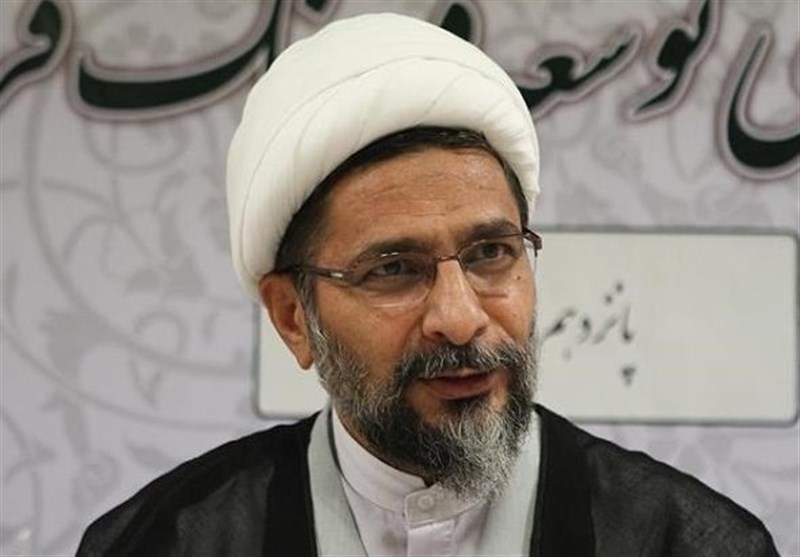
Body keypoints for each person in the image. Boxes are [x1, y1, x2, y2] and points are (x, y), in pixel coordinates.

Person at [76, 13, 778, 557]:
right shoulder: (166, 540)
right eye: (393, 269)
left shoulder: (686, 541)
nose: (460, 318)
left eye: (490, 253)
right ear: (293, 316)